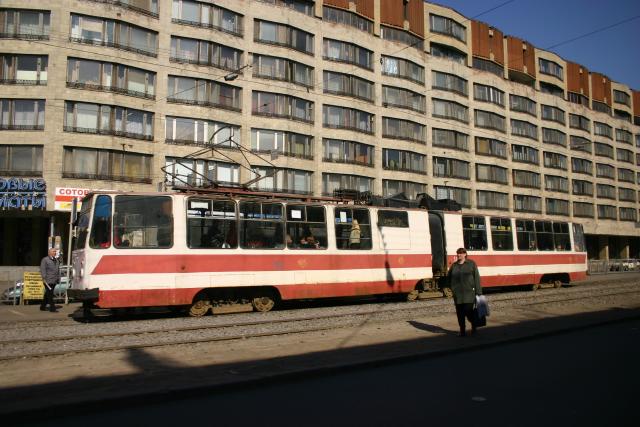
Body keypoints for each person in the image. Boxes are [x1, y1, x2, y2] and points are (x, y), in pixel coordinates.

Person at [447, 247, 482, 336]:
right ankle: (462, 331)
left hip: (469, 293)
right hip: (458, 294)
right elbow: (448, 277)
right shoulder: (454, 266)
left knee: (468, 311)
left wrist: (479, 292)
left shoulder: (471, 264)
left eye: (461, 253)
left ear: (465, 254)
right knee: (460, 314)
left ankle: (474, 325)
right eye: (458, 253)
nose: (459, 255)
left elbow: (476, 278)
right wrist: (451, 288)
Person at [39, 247, 60, 312]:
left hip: (54, 280)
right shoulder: (45, 260)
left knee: (47, 294)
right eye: (53, 251)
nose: (55, 253)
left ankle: (42, 306)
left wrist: (58, 278)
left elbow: (57, 270)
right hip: (47, 280)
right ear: (49, 253)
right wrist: (44, 278)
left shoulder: (56, 260)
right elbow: (43, 270)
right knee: (50, 295)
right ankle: (52, 308)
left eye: (55, 252)